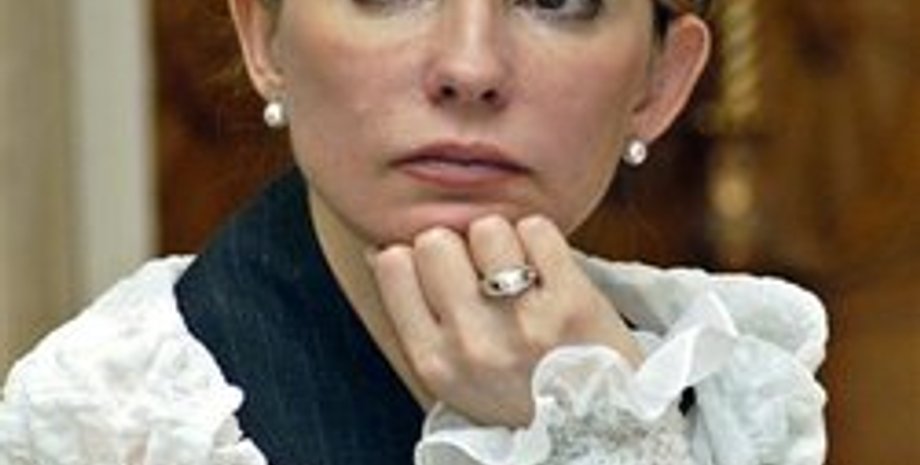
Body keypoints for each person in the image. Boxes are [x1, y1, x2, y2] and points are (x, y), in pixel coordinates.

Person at [0, 0, 828, 464]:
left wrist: (599, 432)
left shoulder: (729, 393)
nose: (470, 67)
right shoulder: (125, 420)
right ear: (264, 38)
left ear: (661, 81)